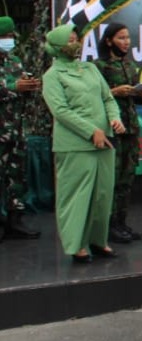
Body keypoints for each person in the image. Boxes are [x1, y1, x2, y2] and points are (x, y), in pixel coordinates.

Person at [41, 24, 124, 263]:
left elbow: (107, 98)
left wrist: (114, 119)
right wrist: (91, 132)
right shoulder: (53, 76)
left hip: (104, 141)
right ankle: (76, 245)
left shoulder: (90, 68)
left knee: (102, 195)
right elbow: (61, 111)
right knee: (77, 196)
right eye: (70, 40)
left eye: (76, 38)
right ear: (57, 48)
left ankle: (99, 241)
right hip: (75, 144)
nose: (75, 43)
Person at [94, 21, 142, 244]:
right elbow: (93, 98)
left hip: (131, 127)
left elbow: (139, 99)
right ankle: (109, 224)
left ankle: (122, 222)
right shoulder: (98, 66)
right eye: (121, 38)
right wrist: (115, 91)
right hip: (111, 128)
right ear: (109, 41)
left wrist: (138, 91)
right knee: (111, 179)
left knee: (127, 177)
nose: (126, 42)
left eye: (127, 38)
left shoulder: (130, 66)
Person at [0, 16, 42, 240]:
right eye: (3, 37)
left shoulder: (14, 60)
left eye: (9, 36)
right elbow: (9, 86)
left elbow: (19, 83)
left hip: (16, 128)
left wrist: (29, 84)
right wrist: (13, 86)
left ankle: (15, 221)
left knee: (16, 177)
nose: (7, 41)